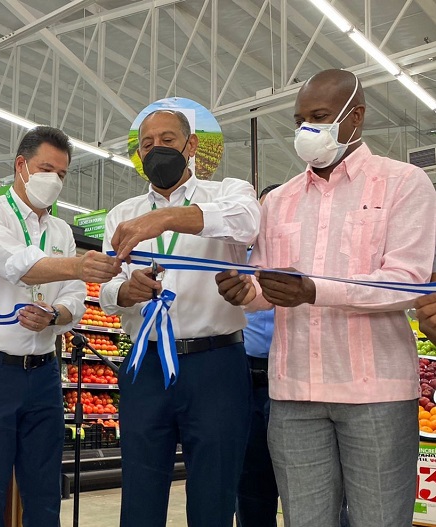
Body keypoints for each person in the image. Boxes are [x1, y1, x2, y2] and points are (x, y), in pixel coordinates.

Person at [215, 69, 436, 527]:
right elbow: (268, 289)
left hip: (375, 391)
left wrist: (312, 290)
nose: (306, 132)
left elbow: (405, 281)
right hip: (294, 392)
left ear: (355, 117)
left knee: (379, 518)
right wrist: (246, 292)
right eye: (300, 121)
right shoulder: (280, 201)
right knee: (305, 520)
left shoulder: (404, 183)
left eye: (319, 117)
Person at [0, 126, 120, 527]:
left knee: (45, 490)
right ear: (21, 166)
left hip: (44, 372)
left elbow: (75, 299)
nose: (55, 181)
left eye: (62, 174)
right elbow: (17, 264)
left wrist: (56, 316)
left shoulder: (61, 231)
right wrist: (80, 264)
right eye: (47, 169)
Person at [102, 109, 260, 527]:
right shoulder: (121, 213)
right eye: (147, 144)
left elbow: (248, 223)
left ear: (191, 146)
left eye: (167, 140)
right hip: (145, 365)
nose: (157, 149)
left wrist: (166, 218)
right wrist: (125, 290)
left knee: (215, 491)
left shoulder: (227, 192)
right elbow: (105, 289)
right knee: (140, 489)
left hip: (215, 366)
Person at [236, 184, 279, 527]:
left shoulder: (302, 259)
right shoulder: (240, 255)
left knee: (306, 479)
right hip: (243, 377)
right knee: (250, 480)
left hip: (288, 378)